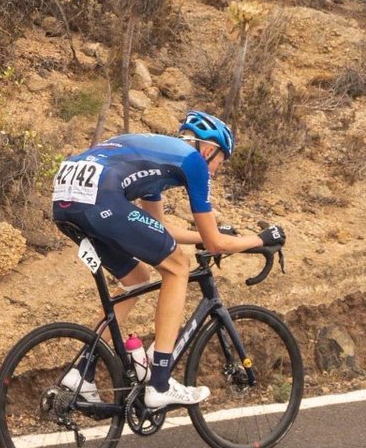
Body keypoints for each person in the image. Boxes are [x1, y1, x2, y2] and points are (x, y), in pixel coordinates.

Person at [51, 110, 286, 409]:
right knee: (177, 267)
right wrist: (261, 240)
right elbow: (215, 244)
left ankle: (81, 371)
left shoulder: (157, 159)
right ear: (209, 149)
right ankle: (160, 382)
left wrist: (200, 236)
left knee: (137, 277)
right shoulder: (194, 161)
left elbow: (157, 228)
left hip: (66, 199)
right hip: (100, 196)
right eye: (220, 162)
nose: (215, 171)